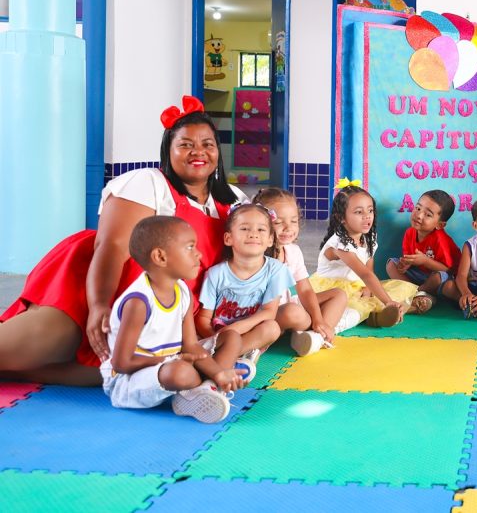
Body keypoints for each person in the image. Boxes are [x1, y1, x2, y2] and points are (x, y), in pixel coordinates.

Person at [0, 96, 246, 385]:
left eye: (207, 144)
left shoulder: (234, 201)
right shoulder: (148, 183)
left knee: (110, 375)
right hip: (101, 290)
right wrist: (99, 305)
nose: (198, 152)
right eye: (185, 144)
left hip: (167, 314)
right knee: (32, 347)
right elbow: (112, 246)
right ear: (168, 151)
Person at [102, 216, 247, 423]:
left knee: (231, 337)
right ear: (160, 257)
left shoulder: (182, 291)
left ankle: (209, 386)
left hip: (174, 360)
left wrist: (219, 373)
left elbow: (191, 346)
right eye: (190, 247)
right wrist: (172, 360)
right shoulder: (138, 302)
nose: (198, 254)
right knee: (181, 372)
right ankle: (199, 389)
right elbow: (122, 363)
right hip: (130, 380)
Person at [253, 187, 359, 356]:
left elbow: (305, 290)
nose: (288, 228)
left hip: (289, 306)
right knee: (292, 312)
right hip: (268, 316)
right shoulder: (254, 254)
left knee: (338, 295)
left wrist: (318, 319)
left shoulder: (292, 251)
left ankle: (318, 333)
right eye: (278, 222)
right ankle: (314, 332)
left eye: (294, 221)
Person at [196, 204, 293, 377]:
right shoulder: (215, 273)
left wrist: (236, 329)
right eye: (244, 228)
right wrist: (217, 338)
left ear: (270, 239)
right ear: (228, 238)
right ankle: (231, 359)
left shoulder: (276, 269)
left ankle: (227, 357)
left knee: (272, 328)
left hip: (252, 332)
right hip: (220, 334)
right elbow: (203, 318)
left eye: (261, 229)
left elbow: (269, 312)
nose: (253, 234)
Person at [309, 182, 418, 327]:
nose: (367, 216)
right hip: (333, 290)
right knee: (351, 308)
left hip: (356, 285)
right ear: (341, 218)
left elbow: (369, 267)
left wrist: (368, 288)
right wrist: (388, 301)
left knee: (399, 288)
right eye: (359, 212)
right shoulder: (340, 244)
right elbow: (365, 274)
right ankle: (367, 316)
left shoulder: (368, 238)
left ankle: (378, 314)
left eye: (370, 210)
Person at [385, 189, 460, 313]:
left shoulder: (440, 240)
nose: (419, 215)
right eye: (418, 208)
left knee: (438, 277)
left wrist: (425, 261)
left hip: (438, 278)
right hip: (418, 275)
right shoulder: (410, 233)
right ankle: (418, 294)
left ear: (440, 225)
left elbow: (447, 270)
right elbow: (408, 258)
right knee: (391, 264)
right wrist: (405, 264)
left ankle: (417, 294)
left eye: (428, 215)